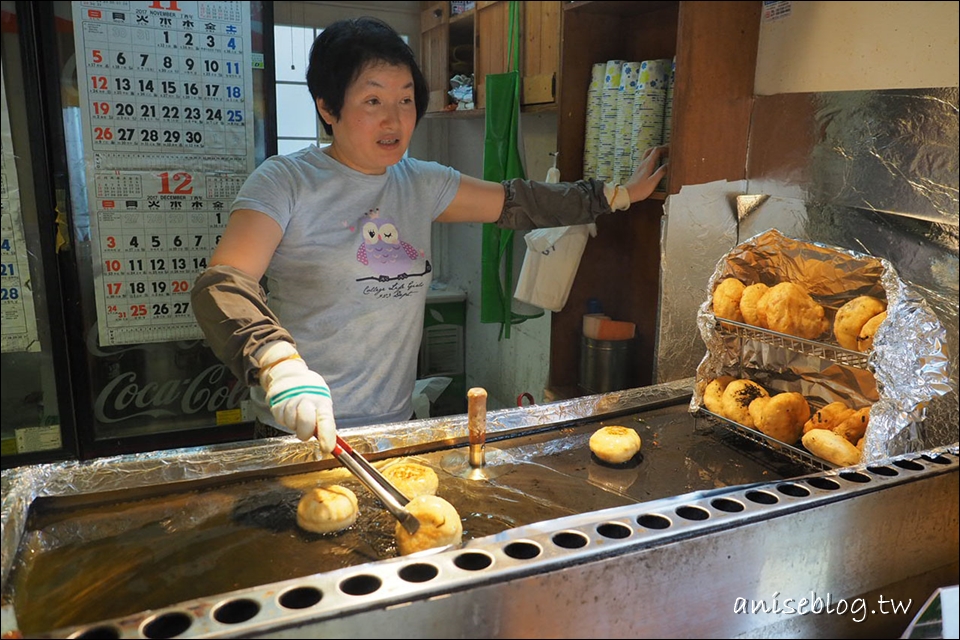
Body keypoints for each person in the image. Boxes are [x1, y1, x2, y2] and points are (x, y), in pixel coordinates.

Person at [191, 16, 669, 454]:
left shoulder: (420, 183)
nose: (395, 120)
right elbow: (222, 285)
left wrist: (614, 195)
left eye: (405, 99)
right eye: (373, 100)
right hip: (299, 427)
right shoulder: (284, 181)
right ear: (327, 108)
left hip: (393, 428)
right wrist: (278, 364)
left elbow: (518, 201)